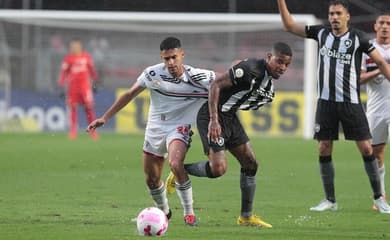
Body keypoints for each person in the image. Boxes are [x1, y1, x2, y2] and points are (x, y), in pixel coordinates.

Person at [86, 37, 216, 226]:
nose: (171, 63)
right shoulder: (152, 73)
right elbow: (129, 94)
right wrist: (105, 118)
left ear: (182, 55)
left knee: (175, 162)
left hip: (179, 128)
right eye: (166, 59)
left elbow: (225, 84)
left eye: (174, 57)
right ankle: (164, 212)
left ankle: (189, 213)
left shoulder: (199, 77)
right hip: (155, 128)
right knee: (152, 179)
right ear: (162, 58)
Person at [277, 0, 390, 213]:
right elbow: (289, 26)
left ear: (347, 16)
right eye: (331, 14)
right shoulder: (321, 33)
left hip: (351, 102)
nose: (334, 17)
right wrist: (281, 2)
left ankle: (379, 198)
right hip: (326, 103)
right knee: (324, 147)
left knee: (367, 148)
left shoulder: (358, 38)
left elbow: (382, 63)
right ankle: (330, 200)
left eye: (338, 13)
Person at [167, 42, 293, 228]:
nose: (282, 68)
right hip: (212, 116)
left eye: (286, 65)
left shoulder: (267, 85)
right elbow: (215, 85)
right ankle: (180, 171)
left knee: (251, 164)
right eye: (279, 62)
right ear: (268, 57)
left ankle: (246, 217)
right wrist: (214, 119)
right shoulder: (250, 69)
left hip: (231, 118)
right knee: (218, 169)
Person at [360, 13, 390, 210]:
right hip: (376, 109)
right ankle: (380, 198)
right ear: (375, 26)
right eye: (382, 23)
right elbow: (359, 79)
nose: (385, 26)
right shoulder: (366, 50)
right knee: (376, 153)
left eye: (389, 23)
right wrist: (381, 67)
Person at [58, 38, 99, 140]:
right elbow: (64, 73)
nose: (74, 48)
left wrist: (95, 82)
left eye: (76, 46)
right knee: (73, 109)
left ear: (80, 46)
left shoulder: (86, 57)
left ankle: (92, 131)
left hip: (85, 88)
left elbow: (92, 70)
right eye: (72, 46)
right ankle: (73, 131)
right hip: (73, 88)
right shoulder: (68, 59)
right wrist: (61, 84)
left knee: (89, 109)